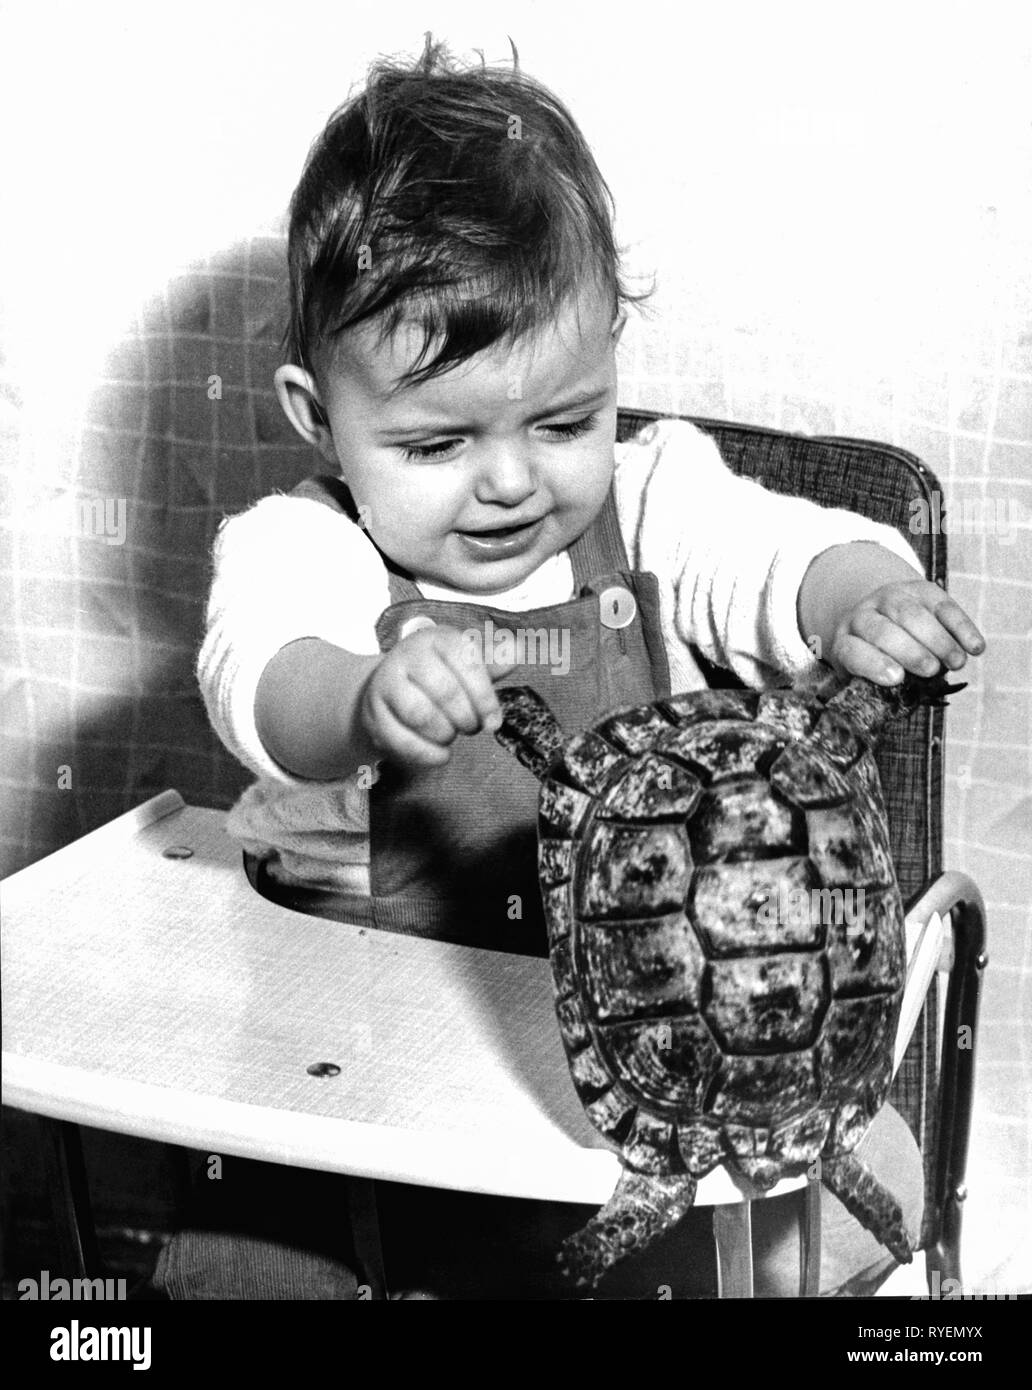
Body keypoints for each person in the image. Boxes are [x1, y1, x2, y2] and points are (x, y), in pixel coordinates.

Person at [153, 37, 984, 1300]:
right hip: (367, 1051)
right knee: (237, 1268)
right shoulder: (304, 550)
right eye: (436, 441)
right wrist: (357, 698)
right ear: (318, 416)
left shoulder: (650, 499)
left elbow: (771, 552)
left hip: (631, 1040)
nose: (510, 479)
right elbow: (258, 673)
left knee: (868, 1190)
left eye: (562, 421)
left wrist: (855, 595)